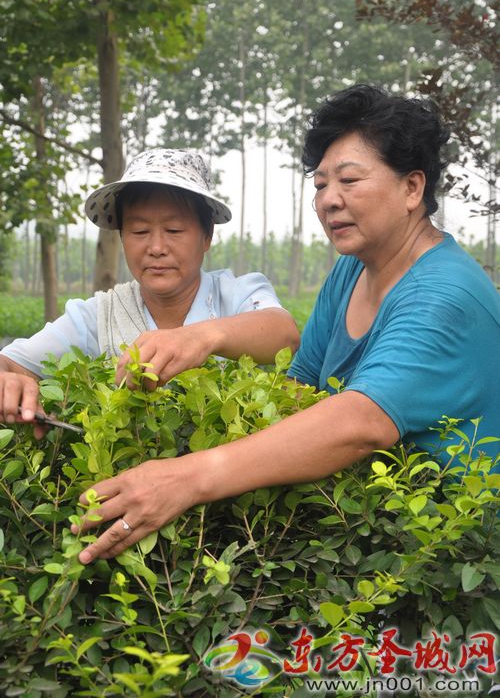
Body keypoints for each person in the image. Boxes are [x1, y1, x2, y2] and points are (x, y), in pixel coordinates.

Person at [63, 85, 500, 563]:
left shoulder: (443, 295)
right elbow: (302, 386)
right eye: (319, 186)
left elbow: (360, 422)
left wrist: (185, 476)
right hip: (367, 529)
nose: (329, 200)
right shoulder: (354, 268)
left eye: (349, 181)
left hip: (446, 551)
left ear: (412, 188)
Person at [0, 148, 300, 435]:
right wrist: (9, 381)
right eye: (139, 232)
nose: (156, 248)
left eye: (174, 231)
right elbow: (11, 362)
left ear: (206, 236)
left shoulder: (237, 294)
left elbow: (282, 332)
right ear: (122, 238)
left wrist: (199, 337)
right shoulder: (100, 316)